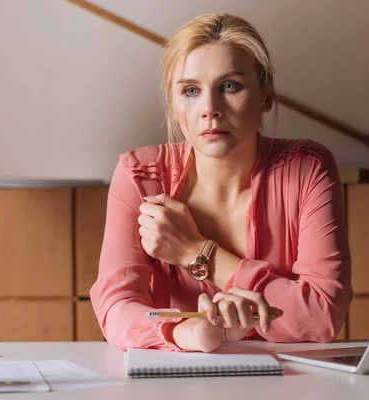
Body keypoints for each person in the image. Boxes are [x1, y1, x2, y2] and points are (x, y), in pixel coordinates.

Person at [90, 13, 352, 353]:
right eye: (191, 91)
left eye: (230, 86)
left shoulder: (308, 168)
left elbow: (322, 316)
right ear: (174, 107)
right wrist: (189, 333)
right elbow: (115, 308)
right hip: (181, 377)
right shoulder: (141, 176)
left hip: (292, 380)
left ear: (266, 96)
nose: (210, 108)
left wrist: (195, 252)